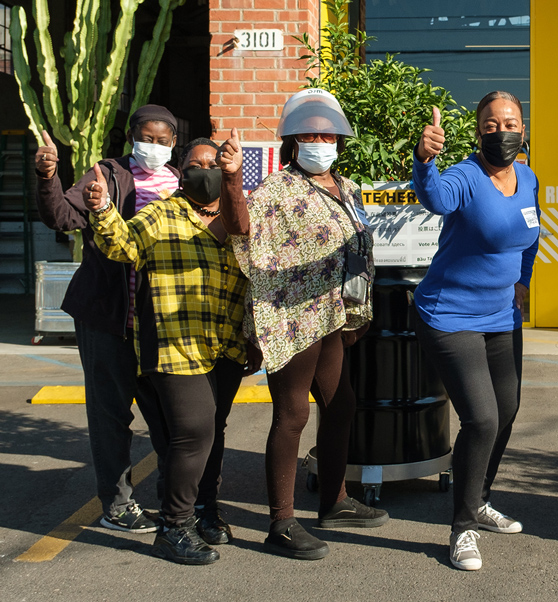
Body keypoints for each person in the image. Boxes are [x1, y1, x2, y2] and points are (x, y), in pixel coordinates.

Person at [217, 88, 387, 561]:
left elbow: (355, 251)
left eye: (327, 134)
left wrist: (357, 311)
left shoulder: (347, 188)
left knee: (342, 403)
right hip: (289, 316)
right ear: (293, 140)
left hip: (331, 314)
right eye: (309, 133)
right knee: (292, 413)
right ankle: (281, 522)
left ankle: (333, 501)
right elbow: (240, 230)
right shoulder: (277, 188)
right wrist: (231, 180)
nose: (319, 141)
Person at [85, 137, 260, 564]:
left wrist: (255, 337)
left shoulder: (242, 214)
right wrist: (103, 209)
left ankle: (204, 511)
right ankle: (173, 526)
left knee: (213, 431)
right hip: (174, 343)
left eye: (213, 163)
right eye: (195, 164)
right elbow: (122, 246)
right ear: (181, 173)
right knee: (194, 429)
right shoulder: (163, 213)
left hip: (226, 344)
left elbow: (262, 274)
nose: (205, 170)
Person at [34, 105, 182, 534]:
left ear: (174, 143)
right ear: (132, 138)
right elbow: (61, 216)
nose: (153, 146)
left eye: (162, 140)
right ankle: (117, 505)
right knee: (110, 415)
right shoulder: (107, 175)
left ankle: (178, 500)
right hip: (109, 317)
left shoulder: (180, 181)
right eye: (146, 138)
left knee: (169, 413)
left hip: (162, 321)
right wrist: (48, 178)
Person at [411, 92, 539, 571]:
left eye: (509, 122)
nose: (500, 131)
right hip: (449, 314)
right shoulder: (465, 175)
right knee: (481, 419)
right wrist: (425, 159)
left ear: (522, 129)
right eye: (490, 124)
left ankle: (479, 498)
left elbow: (533, 234)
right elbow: (435, 197)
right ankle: (461, 528)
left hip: (501, 316)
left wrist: (523, 280)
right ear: (478, 131)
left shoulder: (527, 177)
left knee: (506, 410)